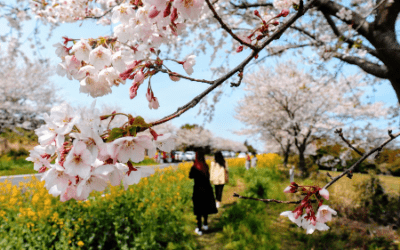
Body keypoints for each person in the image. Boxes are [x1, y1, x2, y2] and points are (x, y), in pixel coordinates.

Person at [189, 150, 218, 236]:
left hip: (198, 190)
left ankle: (199, 229)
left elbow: (190, 176)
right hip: (207, 189)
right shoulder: (206, 166)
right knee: (205, 208)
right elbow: (208, 176)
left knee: (198, 209)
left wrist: (193, 164)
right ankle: (205, 224)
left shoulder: (194, 167)